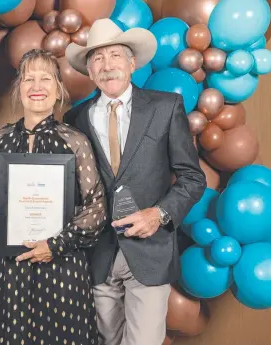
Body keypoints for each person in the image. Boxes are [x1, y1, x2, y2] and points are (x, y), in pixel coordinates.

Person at [63, 19, 207, 345]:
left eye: (115, 56)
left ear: (131, 63)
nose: (107, 65)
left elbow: (192, 178)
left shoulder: (165, 108)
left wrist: (158, 214)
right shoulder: (75, 119)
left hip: (149, 251)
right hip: (96, 255)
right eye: (97, 58)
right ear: (88, 69)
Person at [0, 49, 107, 345]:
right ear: (19, 88)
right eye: (29, 79)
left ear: (58, 88)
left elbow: (97, 207)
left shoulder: (75, 141)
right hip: (14, 266)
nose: (37, 86)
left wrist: (55, 244)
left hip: (63, 265)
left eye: (45, 79)